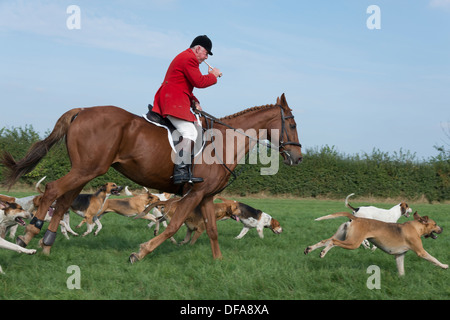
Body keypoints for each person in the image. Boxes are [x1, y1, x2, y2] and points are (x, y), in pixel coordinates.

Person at [152, 35, 222, 184]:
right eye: (206, 53)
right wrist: (213, 76)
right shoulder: (189, 58)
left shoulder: (185, 57)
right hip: (172, 101)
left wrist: (194, 101)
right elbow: (199, 82)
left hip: (173, 97)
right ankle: (181, 172)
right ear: (197, 49)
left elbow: (183, 85)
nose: (205, 58)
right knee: (189, 132)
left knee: (196, 127)